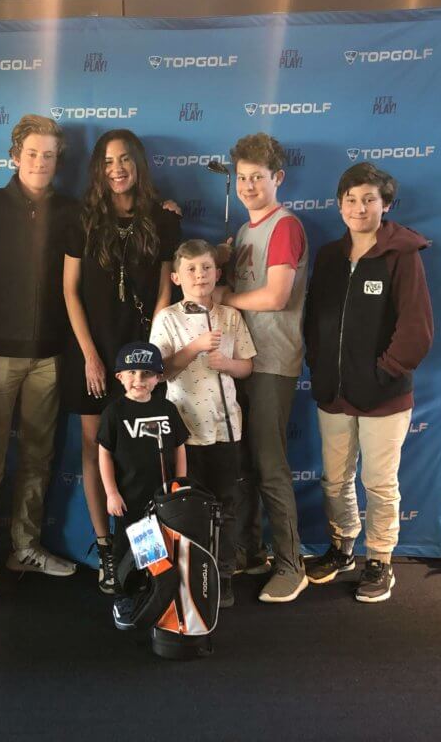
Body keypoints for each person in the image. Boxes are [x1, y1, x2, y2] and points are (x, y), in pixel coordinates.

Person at [0, 114, 80, 591]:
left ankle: (24, 549)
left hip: (49, 358)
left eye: (49, 155)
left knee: (38, 459)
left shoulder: (73, 209)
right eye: (32, 154)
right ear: (14, 156)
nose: (40, 162)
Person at [303, 162, 434, 603]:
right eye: (351, 200)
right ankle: (342, 548)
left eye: (369, 200)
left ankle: (380, 558)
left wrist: (383, 372)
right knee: (335, 480)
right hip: (333, 392)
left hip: (384, 395)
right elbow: (315, 321)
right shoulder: (328, 257)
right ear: (339, 206)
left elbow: (417, 330)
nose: (359, 208)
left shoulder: (402, 256)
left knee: (379, 482)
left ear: (386, 205)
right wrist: (320, 365)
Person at [63, 129, 181, 594]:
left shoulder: (164, 220)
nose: (118, 168)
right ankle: (108, 550)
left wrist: (151, 354)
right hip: (93, 350)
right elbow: (70, 291)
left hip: (143, 352)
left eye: (126, 159)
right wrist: (91, 356)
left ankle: (147, 552)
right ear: (98, 168)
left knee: (145, 453)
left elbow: (165, 289)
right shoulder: (82, 219)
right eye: (109, 161)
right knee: (96, 450)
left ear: (139, 165)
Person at [215, 133, 309, 604]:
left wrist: (225, 296)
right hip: (241, 363)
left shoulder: (285, 226)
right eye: (243, 177)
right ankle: (251, 551)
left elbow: (276, 297)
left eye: (259, 177)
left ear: (279, 179)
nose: (249, 185)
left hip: (271, 362)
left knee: (270, 466)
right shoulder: (248, 231)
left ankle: (292, 565)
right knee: (245, 466)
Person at [149, 239, 255, 607]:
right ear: (177, 276)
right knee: (190, 506)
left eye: (207, 269)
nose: (200, 276)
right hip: (186, 431)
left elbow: (247, 365)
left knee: (226, 504)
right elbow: (160, 372)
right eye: (191, 270)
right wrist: (194, 347)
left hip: (226, 428)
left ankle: (223, 574)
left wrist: (228, 364)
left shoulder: (230, 316)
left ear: (218, 274)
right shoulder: (167, 318)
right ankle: (191, 574)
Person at [97, 342, 188, 578]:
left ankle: (155, 596)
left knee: (161, 554)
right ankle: (125, 596)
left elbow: (179, 447)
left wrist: (179, 483)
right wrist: (111, 493)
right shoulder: (114, 412)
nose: (139, 379)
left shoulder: (167, 408)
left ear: (158, 377)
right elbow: (104, 453)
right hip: (130, 499)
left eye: (146, 373)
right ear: (119, 376)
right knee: (128, 552)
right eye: (132, 372)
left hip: (164, 497)